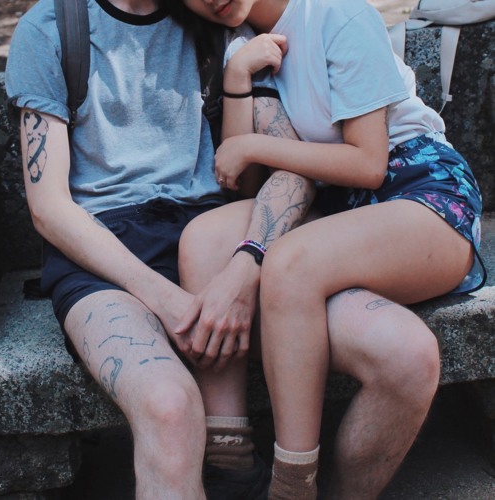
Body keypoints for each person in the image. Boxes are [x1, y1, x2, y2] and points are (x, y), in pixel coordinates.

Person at [175, 0, 486, 498]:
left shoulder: (336, 14)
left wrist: (253, 146)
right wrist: (237, 78)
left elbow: (369, 164)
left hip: (421, 192)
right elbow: (246, 183)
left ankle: (292, 483)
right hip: (338, 203)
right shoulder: (244, 46)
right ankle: (230, 457)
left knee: (291, 263)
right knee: (205, 238)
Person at [3, 1, 302, 498]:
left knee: (390, 348)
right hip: (100, 249)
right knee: (169, 406)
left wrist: (247, 263)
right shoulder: (53, 27)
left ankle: (237, 466)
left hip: (207, 237)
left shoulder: (215, 16)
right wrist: (165, 299)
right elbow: (49, 208)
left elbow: (285, 167)